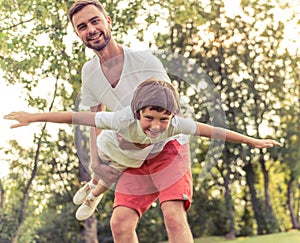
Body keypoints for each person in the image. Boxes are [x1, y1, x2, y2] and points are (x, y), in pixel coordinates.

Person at [4, 78, 281, 222]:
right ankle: (91, 185)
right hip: (112, 146)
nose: (157, 126)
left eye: (164, 119)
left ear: (172, 115)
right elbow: (73, 117)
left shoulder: (174, 125)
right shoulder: (120, 119)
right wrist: (33, 116)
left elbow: (215, 132)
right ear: (137, 112)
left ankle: (92, 196)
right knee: (104, 170)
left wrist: (251, 141)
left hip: (132, 157)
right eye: (149, 118)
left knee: (110, 179)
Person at [67, 1, 196, 242]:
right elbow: (96, 119)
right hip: (134, 155)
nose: (91, 29)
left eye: (95, 21)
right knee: (120, 223)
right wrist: (96, 162)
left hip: (168, 147)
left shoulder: (144, 62)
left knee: (172, 214)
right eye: (82, 26)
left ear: (108, 22)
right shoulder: (89, 72)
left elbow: (170, 109)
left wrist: (135, 141)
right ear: (78, 34)